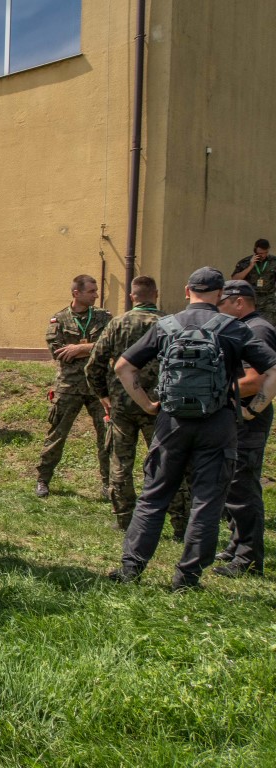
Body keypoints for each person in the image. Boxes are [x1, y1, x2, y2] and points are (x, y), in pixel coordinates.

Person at [108, 267, 276, 591]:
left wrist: (146, 403)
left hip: (171, 422)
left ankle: (131, 570)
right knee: (207, 501)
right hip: (218, 423)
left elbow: (123, 366)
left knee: (153, 497)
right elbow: (271, 372)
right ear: (219, 294)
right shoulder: (232, 328)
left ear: (187, 291)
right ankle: (187, 579)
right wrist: (252, 410)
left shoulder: (167, 326)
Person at [84, 277, 188, 536]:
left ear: (132, 297)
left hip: (123, 404)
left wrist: (104, 395)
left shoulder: (117, 324)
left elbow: (93, 365)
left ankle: (124, 519)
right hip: (162, 404)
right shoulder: (171, 324)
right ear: (156, 294)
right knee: (169, 462)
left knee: (121, 462)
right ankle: (180, 522)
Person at [214, 280, 276, 577]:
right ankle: (236, 545)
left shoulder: (256, 330)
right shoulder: (247, 327)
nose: (218, 309)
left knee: (243, 487)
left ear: (239, 302)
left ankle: (248, 560)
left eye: (221, 303)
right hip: (240, 415)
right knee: (233, 484)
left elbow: (256, 379)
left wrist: (216, 391)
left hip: (248, 418)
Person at [36, 274, 112, 498]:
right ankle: (43, 479)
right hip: (69, 386)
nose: (96, 295)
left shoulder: (104, 317)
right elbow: (58, 352)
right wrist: (95, 347)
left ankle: (109, 483)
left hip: (99, 387)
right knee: (56, 434)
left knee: (107, 436)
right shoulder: (58, 320)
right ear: (76, 293)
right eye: (91, 291)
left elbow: (113, 344)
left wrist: (81, 349)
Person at [230, 238, 275, 324]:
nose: (263, 255)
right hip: (251, 299)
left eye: (266, 253)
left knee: (268, 326)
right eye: (261, 253)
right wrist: (250, 266)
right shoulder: (245, 262)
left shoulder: (273, 261)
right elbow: (235, 279)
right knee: (250, 324)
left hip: (268, 301)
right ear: (255, 250)